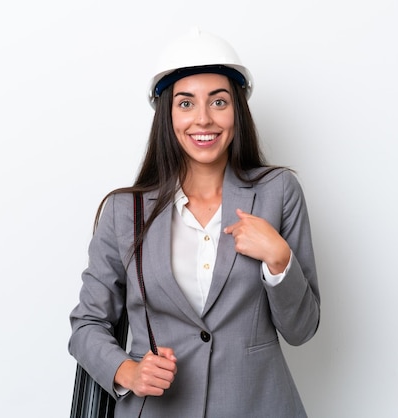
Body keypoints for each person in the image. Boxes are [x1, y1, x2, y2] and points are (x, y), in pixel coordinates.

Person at [69, 27, 321, 418]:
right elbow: (88, 324)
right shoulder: (124, 211)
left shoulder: (278, 192)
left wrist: (279, 259)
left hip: (258, 406)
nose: (203, 119)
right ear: (167, 115)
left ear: (237, 110)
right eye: (186, 104)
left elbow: (302, 329)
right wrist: (128, 371)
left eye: (218, 102)